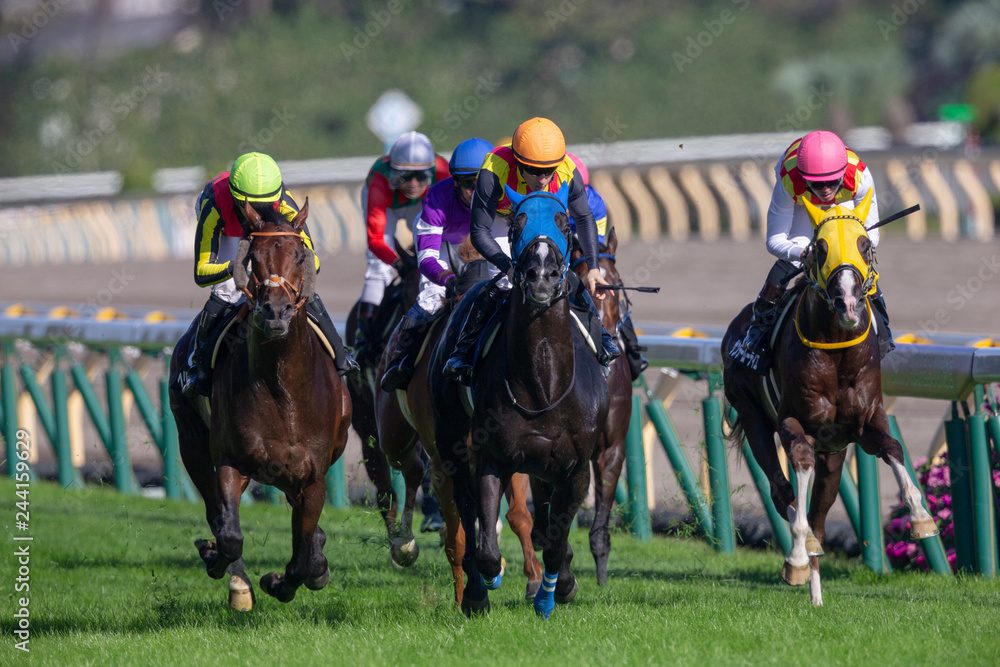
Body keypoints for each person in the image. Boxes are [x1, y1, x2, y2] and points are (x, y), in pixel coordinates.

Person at [442, 117, 620, 385]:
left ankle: (602, 339)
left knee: (564, 276)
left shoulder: (567, 171)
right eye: (534, 171)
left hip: (544, 217)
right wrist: (509, 267)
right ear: (517, 162)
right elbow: (479, 231)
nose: (542, 178)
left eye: (548, 171)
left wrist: (594, 268)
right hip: (503, 219)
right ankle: (463, 351)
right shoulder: (494, 169)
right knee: (498, 284)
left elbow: (584, 220)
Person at [178, 152, 357, 398]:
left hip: (268, 239)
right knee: (227, 291)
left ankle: (341, 356)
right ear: (238, 198)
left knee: (304, 290)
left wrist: (287, 274)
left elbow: (312, 260)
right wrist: (239, 268)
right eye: (252, 206)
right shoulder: (215, 205)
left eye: (265, 206)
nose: (259, 213)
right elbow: (201, 272)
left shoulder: (284, 202)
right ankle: (198, 365)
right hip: (229, 233)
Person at [728, 130, 893, 374]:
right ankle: (756, 337)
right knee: (782, 272)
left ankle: (884, 334)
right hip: (803, 208)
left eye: (831, 182)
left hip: (844, 207)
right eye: (817, 184)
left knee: (863, 275)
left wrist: (847, 250)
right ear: (805, 178)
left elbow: (872, 235)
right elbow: (774, 241)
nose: (825, 190)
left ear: (841, 175)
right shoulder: (789, 180)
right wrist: (804, 254)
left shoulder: (859, 176)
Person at [380, 137, 494, 392]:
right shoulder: (437, 200)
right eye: (468, 185)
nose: (476, 193)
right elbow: (428, 259)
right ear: (455, 182)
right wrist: (447, 279)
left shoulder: (505, 197)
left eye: (483, 184)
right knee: (432, 301)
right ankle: (401, 360)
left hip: (488, 245)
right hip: (444, 249)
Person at [355, 131, 450, 360]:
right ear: (393, 173)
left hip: (424, 205)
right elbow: (377, 240)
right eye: (405, 177)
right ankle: (363, 338)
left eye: (421, 177)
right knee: (378, 269)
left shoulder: (443, 171)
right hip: (387, 204)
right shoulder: (380, 181)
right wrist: (398, 263)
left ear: (432, 172)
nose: (414, 184)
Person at [566, 151, 649, 381]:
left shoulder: (595, 202)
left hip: (586, 251)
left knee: (609, 287)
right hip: (560, 252)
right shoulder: (553, 197)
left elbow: (596, 241)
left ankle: (632, 353)